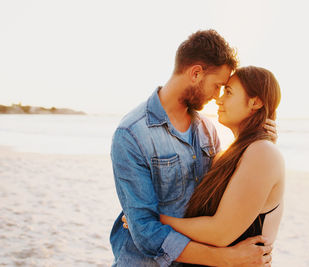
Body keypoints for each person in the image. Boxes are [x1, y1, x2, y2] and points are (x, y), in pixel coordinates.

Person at [109, 29, 276, 266]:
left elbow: (224, 191)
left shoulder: (207, 130)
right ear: (196, 73)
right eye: (218, 85)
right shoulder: (132, 134)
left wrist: (259, 140)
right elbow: (145, 232)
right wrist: (224, 259)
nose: (218, 97)